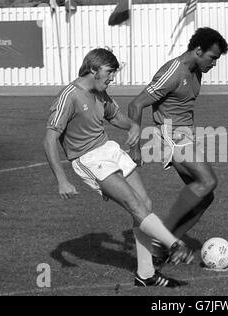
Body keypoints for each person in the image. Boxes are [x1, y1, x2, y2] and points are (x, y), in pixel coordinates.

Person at [43, 48, 194, 287]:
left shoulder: (100, 93)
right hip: (89, 158)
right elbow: (50, 139)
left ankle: (145, 275)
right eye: (109, 72)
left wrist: (133, 126)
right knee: (134, 205)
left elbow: (116, 117)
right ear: (93, 69)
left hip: (109, 149)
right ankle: (174, 244)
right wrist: (61, 180)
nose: (112, 77)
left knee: (145, 204)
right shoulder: (69, 96)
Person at [128, 28, 228, 259]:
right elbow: (136, 104)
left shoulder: (196, 71)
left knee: (206, 196)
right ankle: (160, 239)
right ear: (198, 50)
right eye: (212, 58)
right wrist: (134, 146)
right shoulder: (173, 71)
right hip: (172, 137)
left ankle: (164, 247)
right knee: (208, 181)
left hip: (185, 135)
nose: (213, 64)